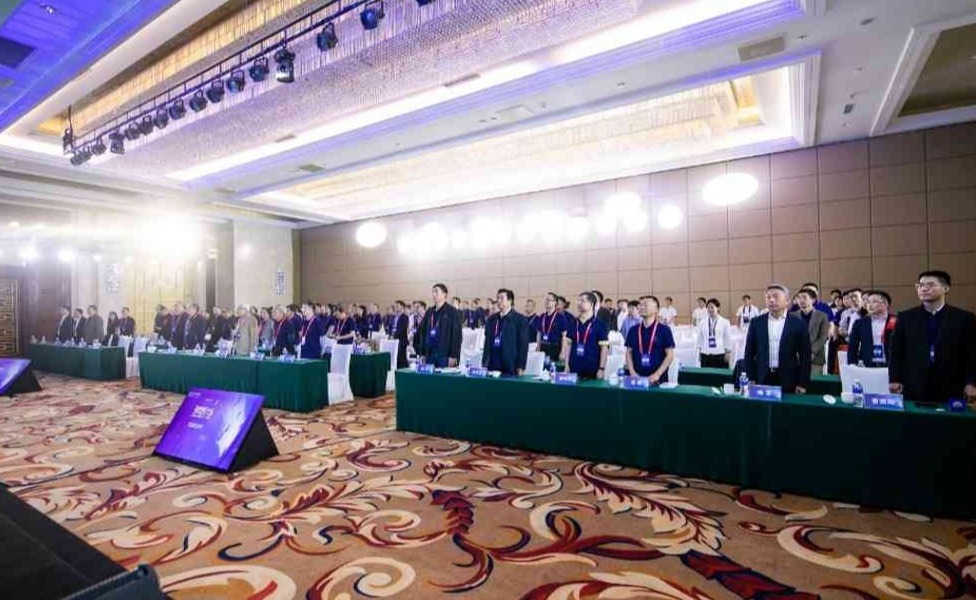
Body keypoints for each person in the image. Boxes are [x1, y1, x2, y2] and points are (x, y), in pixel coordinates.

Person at [889, 271, 976, 404]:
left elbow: (972, 354)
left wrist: (971, 383)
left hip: (952, 384)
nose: (924, 289)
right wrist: (895, 379)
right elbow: (896, 351)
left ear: (946, 288)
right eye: (920, 285)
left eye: (930, 285)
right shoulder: (906, 317)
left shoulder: (964, 318)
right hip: (914, 384)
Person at [742, 284, 812, 394]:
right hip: (762, 378)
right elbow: (749, 353)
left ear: (787, 300)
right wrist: (751, 378)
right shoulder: (756, 322)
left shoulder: (798, 324)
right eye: (768, 297)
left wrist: (802, 383)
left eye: (775, 296)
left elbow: (805, 356)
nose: (771, 300)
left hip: (789, 379)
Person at [625, 295, 675, 382]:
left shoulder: (664, 330)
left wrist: (657, 374)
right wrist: (632, 372)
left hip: (658, 380)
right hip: (636, 379)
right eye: (640, 305)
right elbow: (628, 352)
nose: (641, 307)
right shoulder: (633, 330)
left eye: (645, 305)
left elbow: (670, 355)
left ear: (656, 310)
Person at [482, 289, 529, 376]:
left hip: (510, 364)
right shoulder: (492, 319)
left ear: (510, 300)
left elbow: (523, 345)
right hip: (493, 363)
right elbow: (487, 342)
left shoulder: (519, 319)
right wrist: (485, 362)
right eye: (497, 298)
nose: (499, 301)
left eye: (502, 298)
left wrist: (521, 366)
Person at [562, 291, 609, 379]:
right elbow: (568, 345)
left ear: (591, 304)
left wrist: (601, 368)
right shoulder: (573, 322)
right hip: (574, 369)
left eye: (583, 301)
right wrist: (566, 365)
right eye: (578, 301)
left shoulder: (600, 324)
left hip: (593, 370)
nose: (579, 303)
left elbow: (604, 348)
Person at [416, 283, 463, 367]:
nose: (433, 294)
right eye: (433, 292)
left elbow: (457, 336)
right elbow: (422, 332)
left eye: (436, 291)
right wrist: (422, 353)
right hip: (430, 354)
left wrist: (454, 356)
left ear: (444, 294)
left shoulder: (452, 312)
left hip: (444, 355)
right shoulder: (429, 312)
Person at [848, 290, 896, 368]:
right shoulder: (860, 323)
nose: (869, 305)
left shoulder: (896, 321)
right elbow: (852, 347)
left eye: (874, 301)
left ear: (885, 304)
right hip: (868, 366)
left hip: (891, 366)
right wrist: (852, 365)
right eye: (868, 302)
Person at [791, 288, 830, 376]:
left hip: (815, 357)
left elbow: (823, 337)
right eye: (799, 298)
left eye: (804, 297)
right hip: (796, 357)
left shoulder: (822, 316)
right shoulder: (792, 316)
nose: (801, 300)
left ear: (813, 300)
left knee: (814, 382)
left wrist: (811, 352)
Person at [696, 298, 733, 368]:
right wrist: (699, 352)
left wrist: (728, 352)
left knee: (721, 374)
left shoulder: (725, 322)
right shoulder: (702, 322)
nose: (710, 310)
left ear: (718, 308)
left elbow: (727, 338)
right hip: (705, 353)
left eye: (712, 307)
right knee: (706, 374)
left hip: (720, 353)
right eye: (708, 307)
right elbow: (700, 338)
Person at [536, 292, 569, 363]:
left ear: (555, 302)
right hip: (543, 346)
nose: (547, 302)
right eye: (546, 300)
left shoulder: (560, 317)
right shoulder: (542, 316)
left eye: (549, 300)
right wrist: (538, 347)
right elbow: (539, 333)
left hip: (554, 347)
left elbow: (564, 336)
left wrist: (563, 352)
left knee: (553, 367)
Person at [392, 300, 410, 369]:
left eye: (397, 306)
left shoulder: (405, 317)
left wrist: (395, 335)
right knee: (396, 359)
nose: (396, 307)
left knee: (402, 359)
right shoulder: (395, 317)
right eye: (395, 306)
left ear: (402, 307)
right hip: (395, 340)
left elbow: (402, 329)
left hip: (401, 341)